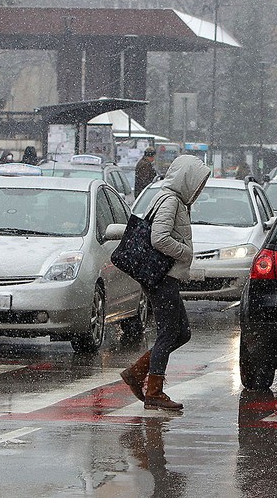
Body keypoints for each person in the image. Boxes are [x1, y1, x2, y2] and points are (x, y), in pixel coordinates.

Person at [120, 154, 210, 411]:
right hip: (162, 277)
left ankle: (137, 373)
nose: (200, 189)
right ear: (186, 179)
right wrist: (185, 252)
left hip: (165, 277)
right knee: (169, 333)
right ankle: (154, 390)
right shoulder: (170, 200)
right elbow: (159, 239)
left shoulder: (175, 200)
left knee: (182, 333)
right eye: (198, 182)